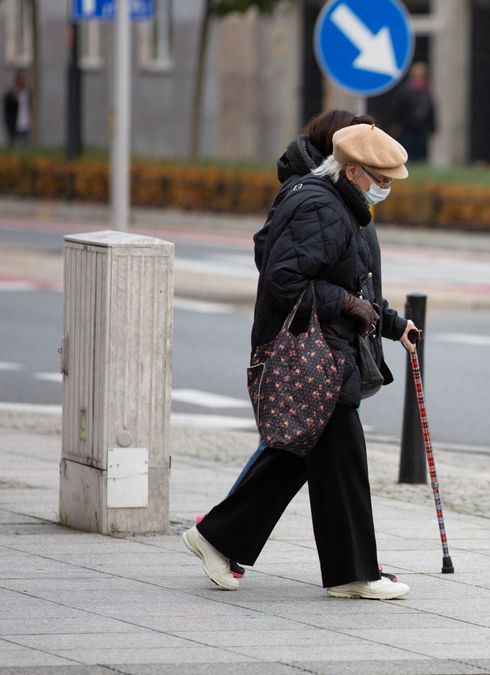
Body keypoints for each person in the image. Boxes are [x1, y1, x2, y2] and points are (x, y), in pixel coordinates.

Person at [183, 123, 418, 601]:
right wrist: (344, 304)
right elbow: (283, 278)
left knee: (298, 459)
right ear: (351, 170)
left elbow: (357, 281)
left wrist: (393, 325)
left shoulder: (340, 205)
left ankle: (221, 539)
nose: (385, 188)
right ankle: (351, 573)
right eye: (380, 179)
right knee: (338, 460)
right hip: (314, 354)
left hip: (324, 351)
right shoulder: (321, 207)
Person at [395, 62, 436, 163]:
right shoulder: (405, 91)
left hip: (422, 129)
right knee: (408, 152)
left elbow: (431, 110)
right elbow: (398, 109)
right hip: (407, 128)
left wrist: (433, 127)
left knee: (421, 152)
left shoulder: (426, 91)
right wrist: (397, 124)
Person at [3, 70, 32, 147]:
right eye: (21, 79)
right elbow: (7, 111)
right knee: (13, 146)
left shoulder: (28, 93)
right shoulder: (10, 94)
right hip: (14, 125)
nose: (23, 81)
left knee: (25, 147)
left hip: (25, 124)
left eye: (25, 79)